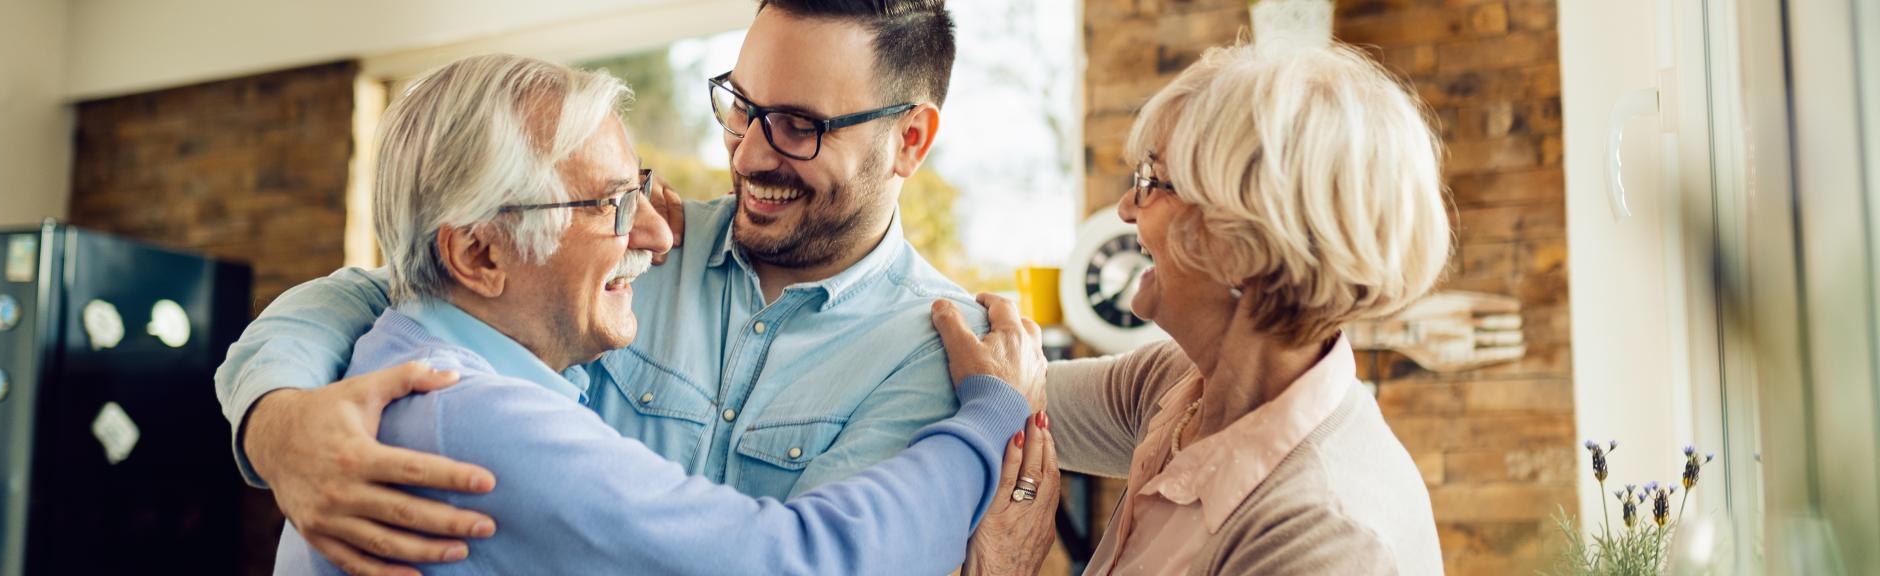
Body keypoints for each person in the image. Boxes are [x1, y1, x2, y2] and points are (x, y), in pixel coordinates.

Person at [211, 2, 1029, 573]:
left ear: (910, 140)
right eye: (741, 106)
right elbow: (391, 287)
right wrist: (275, 418)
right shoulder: (605, 271)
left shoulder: (950, 350)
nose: (747, 154)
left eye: (798, 126)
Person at [937, 39, 1452, 575]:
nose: (1125, 208)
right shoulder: (1177, 386)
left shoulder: (1324, 540)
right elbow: (999, 394)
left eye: (1151, 181)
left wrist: (1003, 562)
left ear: (1241, 243)